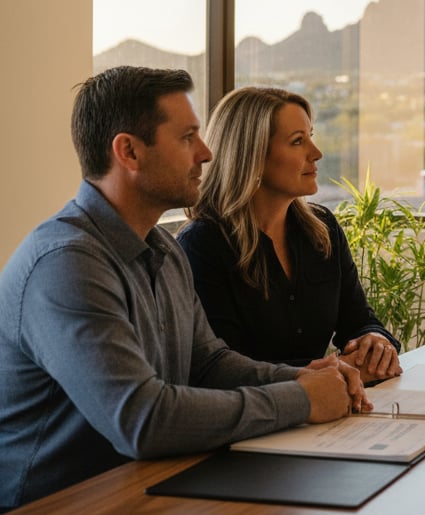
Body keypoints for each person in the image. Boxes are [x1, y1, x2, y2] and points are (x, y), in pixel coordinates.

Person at [0, 66, 370, 510]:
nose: (208, 152)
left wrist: (307, 378)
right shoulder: (66, 264)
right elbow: (143, 420)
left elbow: (207, 363)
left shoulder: (161, 248)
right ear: (130, 152)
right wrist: (298, 399)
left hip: (151, 484)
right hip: (62, 503)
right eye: (187, 137)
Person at [177, 87, 402, 383]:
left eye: (311, 136)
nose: (316, 153)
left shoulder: (324, 229)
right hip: (256, 420)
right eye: (298, 141)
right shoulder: (202, 245)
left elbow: (359, 320)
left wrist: (374, 340)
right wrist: (332, 370)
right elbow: (222, 367)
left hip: (326, 411)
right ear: (252, 155)